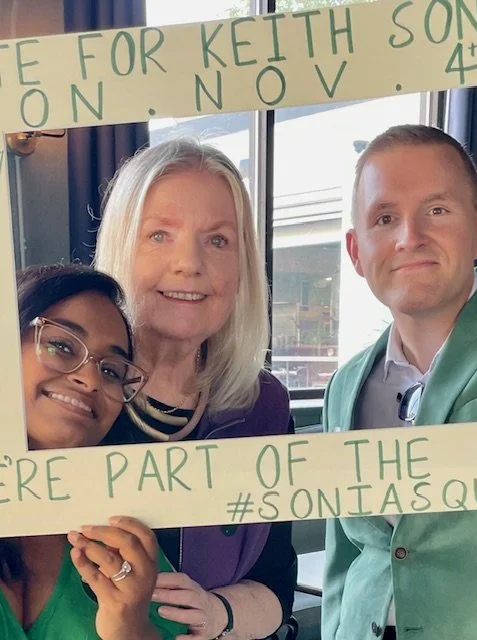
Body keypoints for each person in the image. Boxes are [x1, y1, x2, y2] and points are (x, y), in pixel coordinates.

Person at [94, 138, 297, 640]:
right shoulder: (72, 395)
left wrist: (216, 613)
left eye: (218, 240)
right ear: (121, 247)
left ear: (242, 268)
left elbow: (277, 585)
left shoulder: (265, 407)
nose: (189, 262)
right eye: (159, 235)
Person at [321, 124, 477, 640]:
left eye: (437, 210)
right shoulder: (343, 388)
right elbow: (343, 556)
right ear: (356, 250)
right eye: (385, 218)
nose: (410, 237)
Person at [0, 263, 186, 640]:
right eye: (61, 346)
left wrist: (130, 626)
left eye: (112, 371)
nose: (89, 379)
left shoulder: (123, 535)